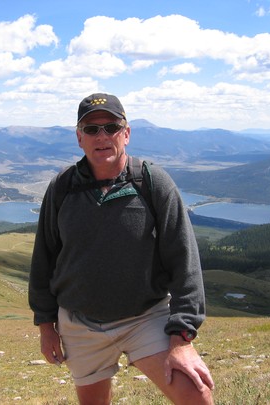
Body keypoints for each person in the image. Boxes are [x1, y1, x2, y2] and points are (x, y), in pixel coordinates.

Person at [28, 93, 214, 404]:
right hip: (79, 324)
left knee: (197, 395)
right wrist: (46, 327)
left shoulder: (152, 182)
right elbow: (43, 260)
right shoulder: (62, 187)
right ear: (79, 138)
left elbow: (184, 261)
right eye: (91, 129)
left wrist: (182, 339)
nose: (102, 136)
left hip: (145, 318)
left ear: (126, 134)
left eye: (111, 127)